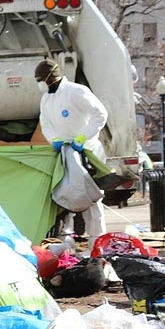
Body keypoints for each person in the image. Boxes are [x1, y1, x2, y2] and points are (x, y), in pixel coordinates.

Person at [35, 59, 108, 244]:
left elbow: (100, 114)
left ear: (49, 77)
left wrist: (83, 138)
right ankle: (67, 242)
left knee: (90, 197)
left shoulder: (76, 91)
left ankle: (96, 242)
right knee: (67, 195)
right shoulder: (47, 99)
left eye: (40, 79)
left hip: (86, 151)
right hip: (66, 153)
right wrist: (55, 140)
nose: (39, 84)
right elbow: (46, 123)